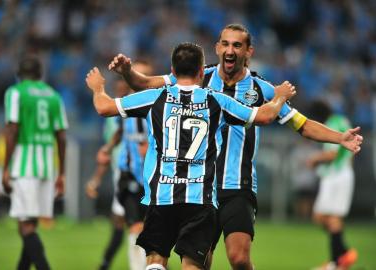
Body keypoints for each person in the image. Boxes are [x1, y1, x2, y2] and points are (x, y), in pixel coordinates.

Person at [107, 24, 363, 270]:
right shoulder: (199, 75)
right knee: (198, 261)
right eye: (226, 44)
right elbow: (146, 84)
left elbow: (302, 124)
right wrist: (127, 72)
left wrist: (340, 138)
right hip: (199, 189)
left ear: (248, 51)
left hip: (237, 186)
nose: (230, 50)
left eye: (237, 45)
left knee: (239, 258)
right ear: (217, 47)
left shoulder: (261, 88)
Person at [86, 42, 296, 270]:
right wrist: (279, 97)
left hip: (163, 196)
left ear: (173, 71)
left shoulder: (156, 98)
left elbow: (104, 107)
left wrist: (98, 88)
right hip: (200, 199)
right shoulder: (216, 100)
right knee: (193, 265)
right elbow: (263, 116)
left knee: (155, 261)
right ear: (201, 71)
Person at [3, 55, 68, 270]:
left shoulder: (15, 92)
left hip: (24, 165)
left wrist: (5, 168)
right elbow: (61, 135)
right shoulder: (54, 96)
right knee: (31, 223)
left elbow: (12, 129)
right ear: (40, 74)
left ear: (19, 74)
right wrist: (62, 173)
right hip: (47, 165)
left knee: (25, 227)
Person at [87, 61, 153, 270]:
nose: (139, 80)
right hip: (129, 176)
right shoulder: (127, 104)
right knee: (133, 226)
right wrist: (107, 148)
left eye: (145, 76)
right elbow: (118, 129)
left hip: (153, 178)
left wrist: (152, 147)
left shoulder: (160, 104)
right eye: (137, 75)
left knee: (153, 231)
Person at [306, 101, 358, 270]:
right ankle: (343, 254)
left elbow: (332, 153)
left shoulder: (332, 124)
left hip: (336, 175)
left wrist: (314, 159)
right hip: (339, 174)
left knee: (332, 217)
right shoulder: (341, 120)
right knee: (320, 216)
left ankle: (337, 262)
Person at [86, 115, 126, 270]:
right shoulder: (111, 119)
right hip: (121, 174)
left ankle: (105, 264)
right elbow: (107, 153)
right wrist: (96, 179)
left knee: (138, 224)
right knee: (120, 221)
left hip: (143, 174)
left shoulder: (144, 106)